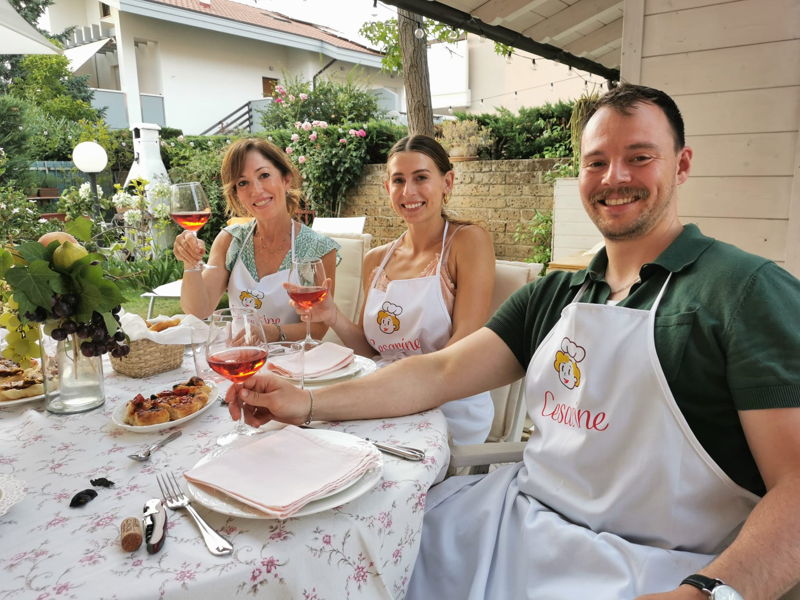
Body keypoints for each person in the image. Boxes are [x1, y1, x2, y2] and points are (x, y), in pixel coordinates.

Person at [226, 84, 800, 599]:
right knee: (345, 556)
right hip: (512, 522)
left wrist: (712, 593)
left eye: (639, 157)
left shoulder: (744, 292)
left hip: (655, 567)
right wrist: (302, 401)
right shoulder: (557, 294)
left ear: (682, 165)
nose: (614, 177)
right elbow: (440, 373)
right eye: (595, 162)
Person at [287, 135, 496, 445]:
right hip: (385, 395)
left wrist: (382, 393)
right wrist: (331, 315)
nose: (408, 191)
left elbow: (462, 349)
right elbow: (371, 350)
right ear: (388, 188)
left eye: (421, 177)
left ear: (447, 182)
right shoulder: (376, 259)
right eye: (398, 180)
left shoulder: (468, 242)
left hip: (449, 403)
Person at [172, 138, 339, 342]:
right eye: (243, 183)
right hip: (241, 361)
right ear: (236, 194)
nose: (256, 190)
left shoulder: (318, 249)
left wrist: (273, 333)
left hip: (293, 365)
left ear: (286, 179)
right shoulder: (230, 240)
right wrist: (190, 264)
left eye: (264, 175)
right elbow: (198, 310)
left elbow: (318, 328)